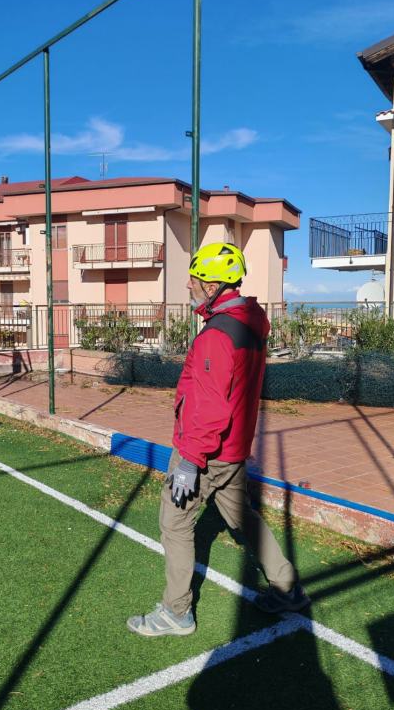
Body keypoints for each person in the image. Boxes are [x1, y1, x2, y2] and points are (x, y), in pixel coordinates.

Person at [127, 243, 309, 637]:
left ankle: (176, 612)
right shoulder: (250, 321)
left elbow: (209, 406)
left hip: (207, 451)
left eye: (193, 280)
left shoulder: (217, 335)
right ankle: (287, 588)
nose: (189, 287)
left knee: (175, 524)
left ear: (211, 286)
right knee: (242, 516)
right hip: (234, 447)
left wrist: (190, 461)